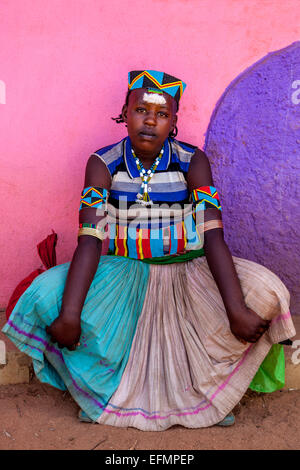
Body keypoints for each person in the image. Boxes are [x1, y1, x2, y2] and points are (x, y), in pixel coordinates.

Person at [2, 70, 296, 431]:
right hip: (124, 269)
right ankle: (101, 394)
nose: (150, 121)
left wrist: (236, 309)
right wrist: (71, 313)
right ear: (124, 112)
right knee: (46, 295)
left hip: (190, 269)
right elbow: (91, 238)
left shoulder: (192, 160)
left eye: (162, 114)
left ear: (173, 121)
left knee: (266, 290)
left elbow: (214, 235)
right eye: (141, 110)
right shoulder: (103, 162)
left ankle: (214, 396)